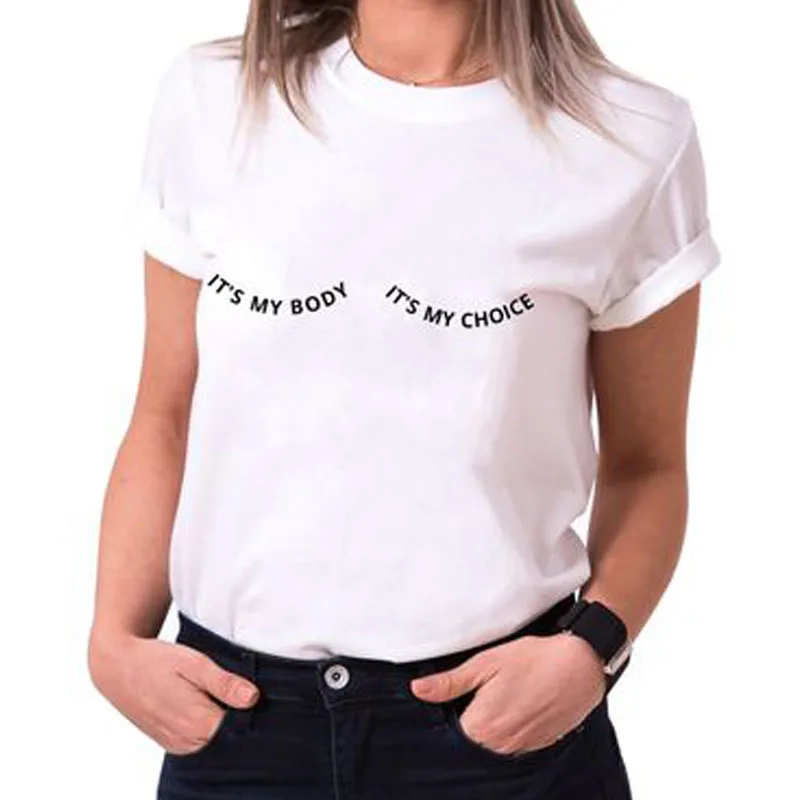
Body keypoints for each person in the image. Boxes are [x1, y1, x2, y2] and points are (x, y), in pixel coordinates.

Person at [87, 1, 721, 798]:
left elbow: (647, 464)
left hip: (503, 734)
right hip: (236, 728)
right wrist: (113, 641)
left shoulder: (632, 140)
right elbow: (165, 415)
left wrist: (592, 648)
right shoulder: (214, 97)